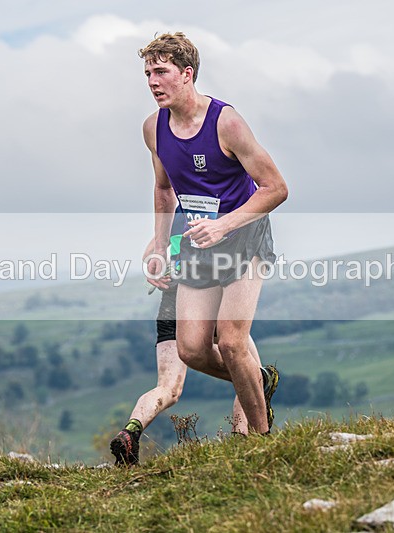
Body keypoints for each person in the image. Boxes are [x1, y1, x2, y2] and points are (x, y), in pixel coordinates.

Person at [140, 33, 288, 436]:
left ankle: (259, 437)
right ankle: (259, 382)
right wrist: (159, 245)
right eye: (148, 73)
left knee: (233, 341)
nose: (153, 82)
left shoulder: (226, 122)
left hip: (244, 237)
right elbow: (163, 187)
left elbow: (276, 188)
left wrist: (224, 223)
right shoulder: (153, 128)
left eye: (162, 72)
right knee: (190, 349)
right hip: (198, 245)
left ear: (187, 74)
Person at [109, 209, 279, 466]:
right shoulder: (212, 215)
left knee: (167, 388)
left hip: (170, 306)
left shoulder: (174, 221)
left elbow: (150, 257)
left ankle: (131, 430)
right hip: (206, 300)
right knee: (249, 372)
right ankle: (241, 439)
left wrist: (160, 271)